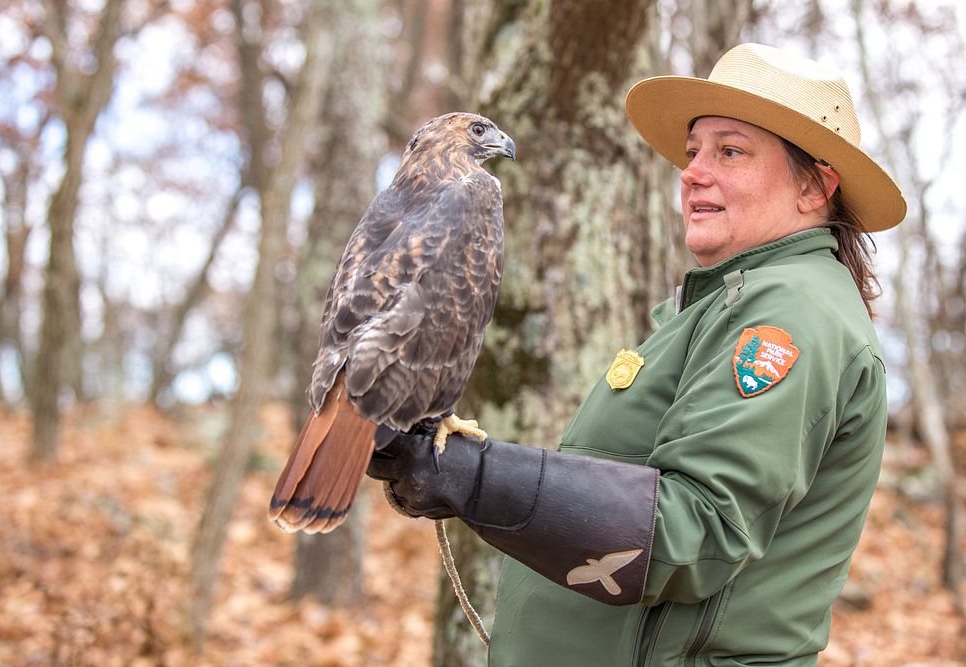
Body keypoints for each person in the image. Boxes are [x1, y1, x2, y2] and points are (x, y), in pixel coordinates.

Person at [367, 42, 906, 666]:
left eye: (730, 152)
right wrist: (464, 473)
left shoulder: (791, 314)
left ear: (815, 187)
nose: (693, 171)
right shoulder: (727, 303)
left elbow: (692, 532)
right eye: (693, 151)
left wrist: (478, 477)